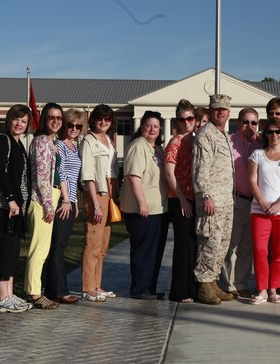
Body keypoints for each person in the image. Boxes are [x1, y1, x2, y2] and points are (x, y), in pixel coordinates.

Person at [0, 104, 33, 313]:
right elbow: (0, 171)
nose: (19, 124)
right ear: (9, 120)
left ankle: (10, 294)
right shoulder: (2, 140)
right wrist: (12, 199)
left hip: (16, 206)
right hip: (4, 204)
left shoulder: (19, 144)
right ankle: (2, 298)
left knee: (13, 250)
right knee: (5, 248)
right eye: (16, 119)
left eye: (23, 121)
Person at [247, 118, 280, 304]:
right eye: (270, 131)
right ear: (265, 134)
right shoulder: (257, 155)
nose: (274, 135)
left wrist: (278, 204)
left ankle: (273, 290)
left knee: (278, 252)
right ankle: (261, 289)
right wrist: (262, 202)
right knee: (260, 250)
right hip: (259, 210)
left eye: (278, 131)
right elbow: (252, 181)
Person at [192, 94, 235, 305]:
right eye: (216, 109)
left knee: (221, 244)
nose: (220, 112)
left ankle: (213, 281)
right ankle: (203, 284)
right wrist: (205, 196)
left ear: (229, 112)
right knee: (208, 243)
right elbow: (200, 170)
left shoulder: (223, 135)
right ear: (210, 111)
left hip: (226, 202)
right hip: (212, 202)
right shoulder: (205, 135)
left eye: (224, 109)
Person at [122, 111, 168, 299]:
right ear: (141, 126)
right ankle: (139, 289)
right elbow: (134, 176)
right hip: (143, 209)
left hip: (159, 209)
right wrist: (142, 203)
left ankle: (150, 287)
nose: (152, 129)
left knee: (154, 252)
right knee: (143, 251)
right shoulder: (138, 146)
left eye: (156, 126)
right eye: (148, 125)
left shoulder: (157, 149)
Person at [24, 102, 63, 310]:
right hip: (41, 200)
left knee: (43, 248)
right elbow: (40, 176)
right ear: (44, 120)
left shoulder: (51, 142)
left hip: (50, 197)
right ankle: (34, 293)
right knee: (39, 249)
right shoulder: (41, 142)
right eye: (51, 117)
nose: (55, 121)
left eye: (58, 118)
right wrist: (48, 204)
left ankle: (34, 289)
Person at [44, 108, 85, 304]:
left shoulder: (74, 147)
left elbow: (74, 178)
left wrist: (75, 202)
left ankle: (51, 288)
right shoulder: (59, 145)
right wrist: (67, 200)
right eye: (71, 125)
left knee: (59, 245)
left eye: (78, 126)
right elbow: (59, 174)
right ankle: (59, 290)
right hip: (62, 200)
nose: (75, 129)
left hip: (71, 201)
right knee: (58, 245)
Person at [220, 107, 262, 298]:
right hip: (235, 199)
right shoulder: (228, 142)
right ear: (238, 123)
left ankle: (242, 283)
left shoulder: (261, 144)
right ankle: (228, 285)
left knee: (247, 246)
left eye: (254, 122)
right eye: (246, 122)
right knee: (231, 245)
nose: (249, 126)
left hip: (255, 202)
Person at [80, 104, 119, 302]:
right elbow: (87, 174)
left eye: (108, 119)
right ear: (93, 119)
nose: (104, 122)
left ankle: (97, 284)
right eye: (100, 118)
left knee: (103, 246)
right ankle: (88, 288)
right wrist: (95, 204)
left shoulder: (109, 141)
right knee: (93, 243)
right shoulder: (89, 141)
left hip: (110, 194)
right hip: (96, 194)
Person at [164, 100, 197, 303]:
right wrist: (183, 200)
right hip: (180, 199)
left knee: (193, 245)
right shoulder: (175, 142)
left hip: (195, 199)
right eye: (182, 119)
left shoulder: (196, 141)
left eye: (190, 118)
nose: (186, 123)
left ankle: (192, 288)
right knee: (183, 246)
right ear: (177, 121)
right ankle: (179, 291)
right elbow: (169, 173)